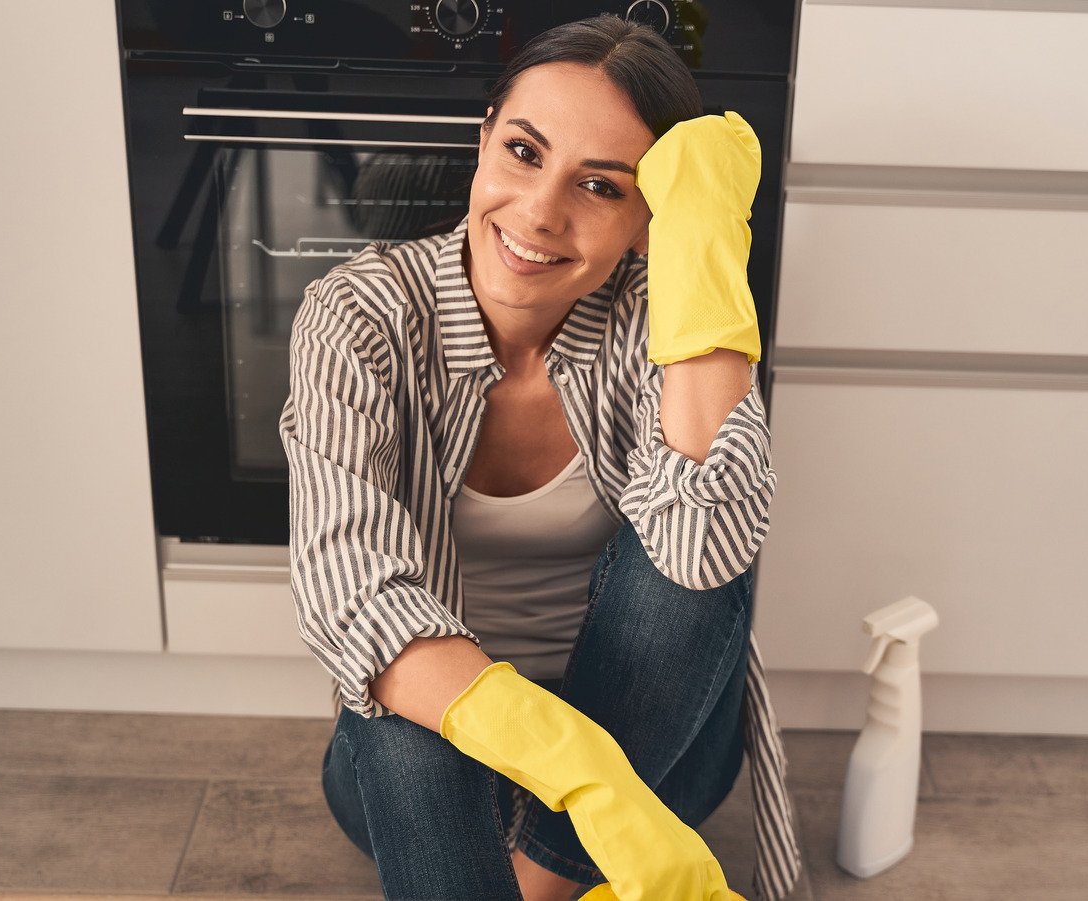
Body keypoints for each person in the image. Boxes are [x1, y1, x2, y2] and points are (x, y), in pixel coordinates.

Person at [280, 15, 801, 901]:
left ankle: (542, 880)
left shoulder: (661, 318)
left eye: (602, 186)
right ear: (484, 140)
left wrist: (705, 243)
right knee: (404, 720)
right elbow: (350, 592)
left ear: (649, 218)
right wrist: (583, 770)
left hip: (660, 745)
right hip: (452, 760)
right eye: (524, 151)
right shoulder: (358, 316)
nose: (540, 212)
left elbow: (706, 555)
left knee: (693, 541)